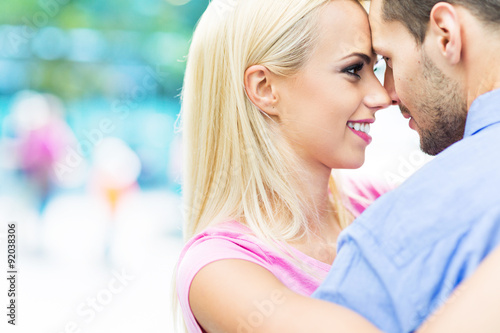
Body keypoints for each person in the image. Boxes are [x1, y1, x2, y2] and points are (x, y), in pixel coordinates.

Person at [174, 0, 500, 332]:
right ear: (265, 88)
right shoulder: (216, 269)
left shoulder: (377, 201)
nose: (382, 96)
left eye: (377, 66)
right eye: (353, 70)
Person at [313, 0, 500, 332]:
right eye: (356, 69)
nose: (387, 93)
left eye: (387, 59)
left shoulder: (394, 237)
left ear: (446, 35)